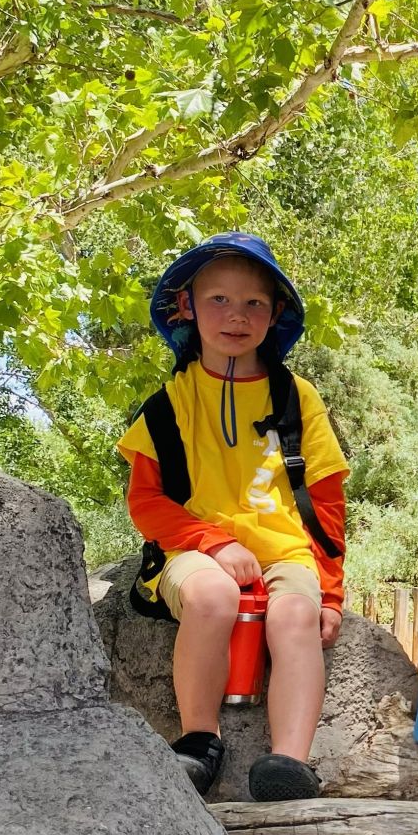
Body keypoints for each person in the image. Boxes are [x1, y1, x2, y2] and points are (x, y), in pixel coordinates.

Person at [118, 232, 349, 801]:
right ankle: (199, 740)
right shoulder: (169, 403)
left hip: (286, 550)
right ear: (188, 307)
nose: (237, 316)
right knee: (212, 598)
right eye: (218, 299)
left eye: (255, 303)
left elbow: (326, 502)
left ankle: (288, 760)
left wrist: (333, 594)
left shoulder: (298, 397)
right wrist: (213, 543)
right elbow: (146, 500)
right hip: (191, 552)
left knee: (296, 615)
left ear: (275, 316)